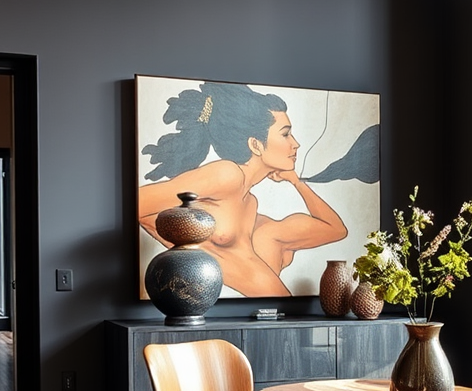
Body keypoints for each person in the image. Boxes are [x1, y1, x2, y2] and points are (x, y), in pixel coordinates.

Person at [138, 82, 347, 297]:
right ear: (255, 144)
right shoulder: (227, 174)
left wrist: (297, 182)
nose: (296, 144)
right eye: (285, 134)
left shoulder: (249, 205)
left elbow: (336, 230)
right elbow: (139, 204)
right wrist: (203, 253)